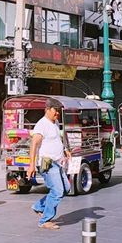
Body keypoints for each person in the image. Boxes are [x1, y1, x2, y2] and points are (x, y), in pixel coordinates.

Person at [27, 98, 71, 230]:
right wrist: (31, 165)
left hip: (58, 163)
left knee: (66, 188)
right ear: (47, 109)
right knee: (57, 191)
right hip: (48, 164)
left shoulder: (55, 122)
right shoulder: (42, 124)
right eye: (55, 111)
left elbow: (57, 139)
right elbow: (34, 145)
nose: (57, 113)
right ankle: (45, 220)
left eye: (59, 111)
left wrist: (65, 150)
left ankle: (39, 206)